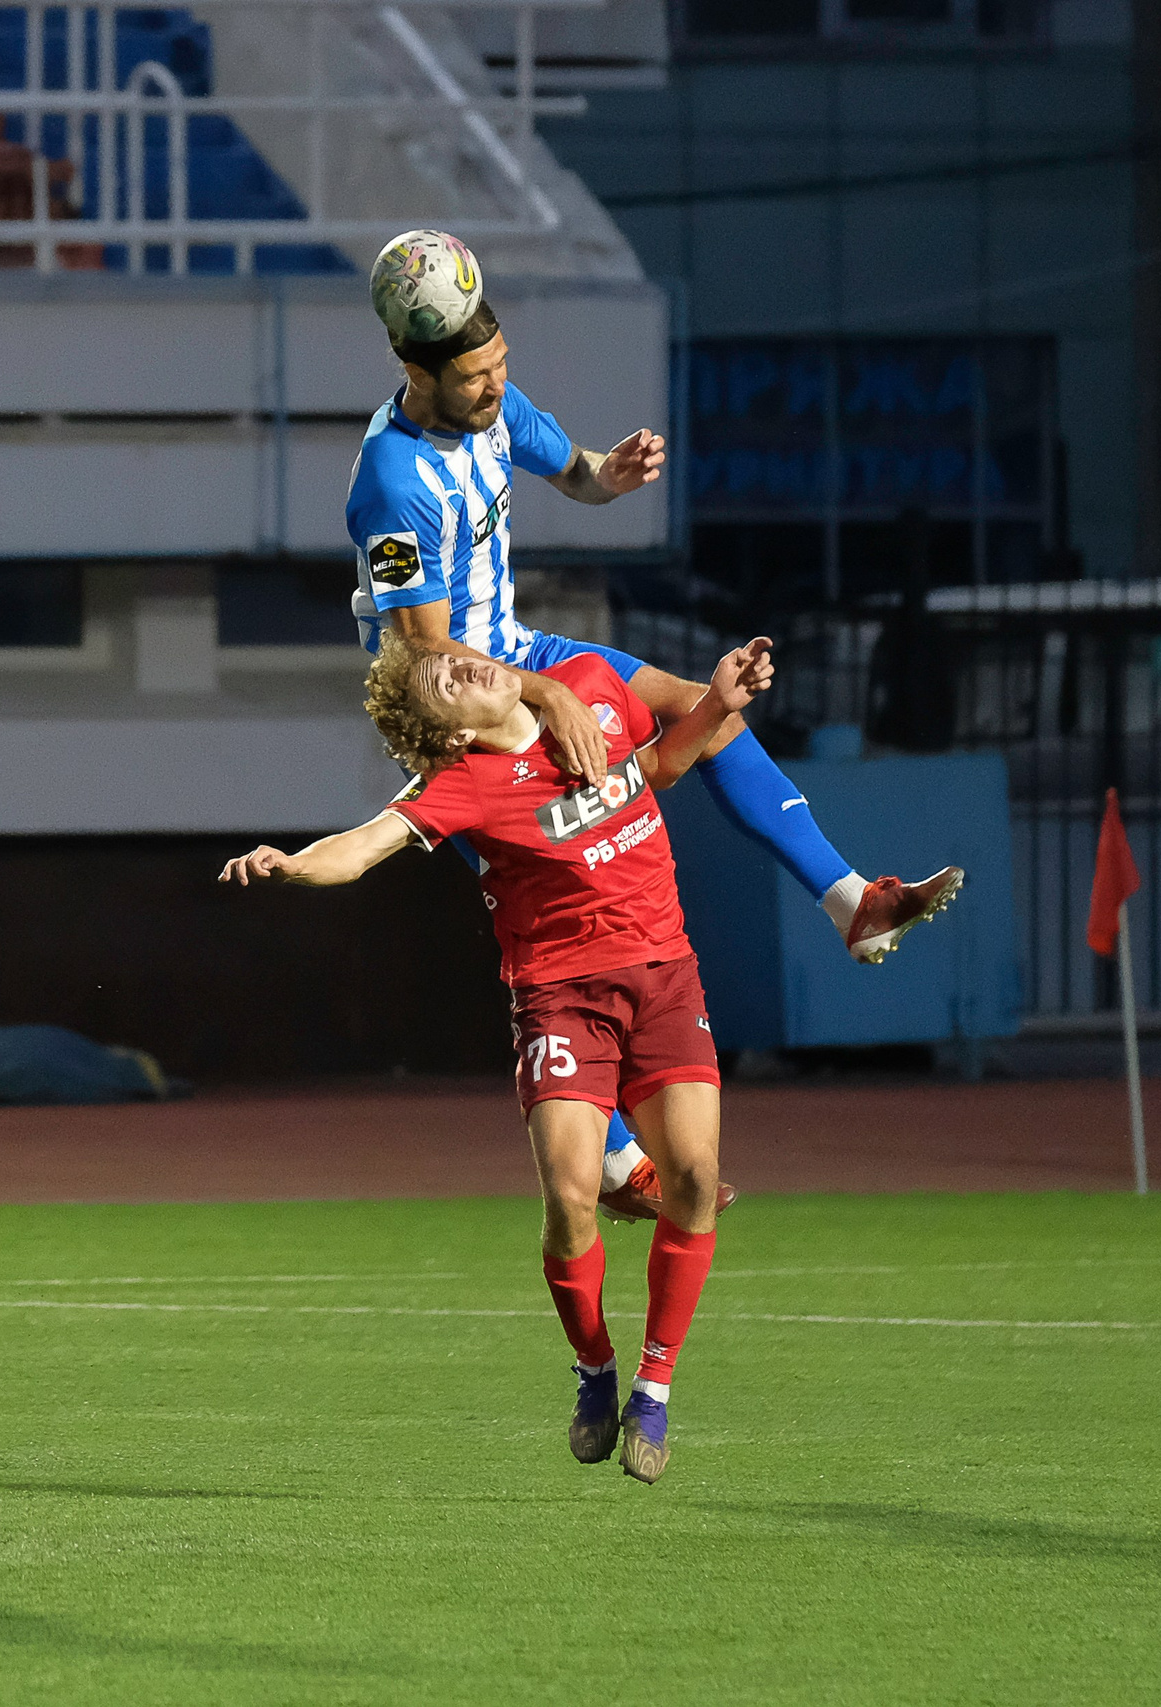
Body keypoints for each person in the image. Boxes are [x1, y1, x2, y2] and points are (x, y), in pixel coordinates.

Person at [220, 630, 782, 1484]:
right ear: (447, 733)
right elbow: (368, 843)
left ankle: (655, 1384)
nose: (461, 664)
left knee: (697, 1179)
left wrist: (716, 702)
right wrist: (291, 864)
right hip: (562, 998)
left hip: (666, 975)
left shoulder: (590, 685)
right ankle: (595, 1370)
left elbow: (657, 768)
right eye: (441, 680)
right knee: (570, 1198)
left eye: (452, 658)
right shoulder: (465, 785)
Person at [348, 229, 961, 970]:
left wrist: (612, 473)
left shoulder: (493, 406)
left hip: (520, 651)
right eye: (478, 375)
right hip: (461, 706)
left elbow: (575, 470)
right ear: (419, 368)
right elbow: (427, 652)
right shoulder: (393, 482)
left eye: (501, 365)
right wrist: (549, 697)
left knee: (710, 713)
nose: (496, 385)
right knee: (566, 896)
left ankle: (852, 903)